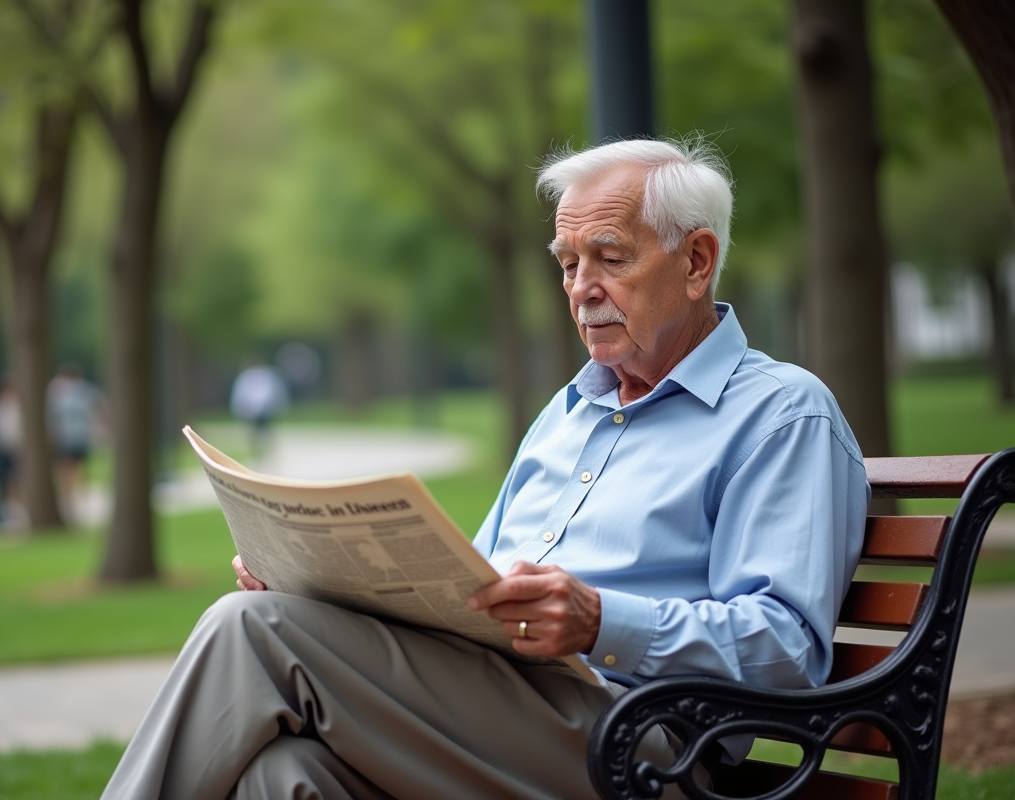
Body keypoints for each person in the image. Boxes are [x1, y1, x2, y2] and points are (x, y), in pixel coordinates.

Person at [101, 138, 870, 800]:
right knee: (289, 773)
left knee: (251, 630)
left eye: (609, 258)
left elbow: (787, 650)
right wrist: (314, 583)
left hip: (641, 742)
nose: (580, 289)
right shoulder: (567, 415)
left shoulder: (780, 414)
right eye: (568, 263)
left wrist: (605, 621)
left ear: (696, 260)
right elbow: (469, 589)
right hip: (509, 710)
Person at [47, 363, 105, 522]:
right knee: (73, 471)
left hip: (69, 437)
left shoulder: (56, 391)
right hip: (75, 437)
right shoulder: (83, 390)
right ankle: (72, 500)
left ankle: (70, 500)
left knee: (68, 471)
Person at [229, 357, 289, 462]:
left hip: (263, 410)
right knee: (257, 434)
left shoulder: (260, 375)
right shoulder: (252, 376)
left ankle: (266, 455)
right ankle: (261, 455)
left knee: (263, 434)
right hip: (255, 410)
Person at [0, 375, 22, 507]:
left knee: (15, 477)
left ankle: (15, 502)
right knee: (6, 478)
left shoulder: (17, 405)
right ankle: (10, 502)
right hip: (4, 447)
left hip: (16, 446)